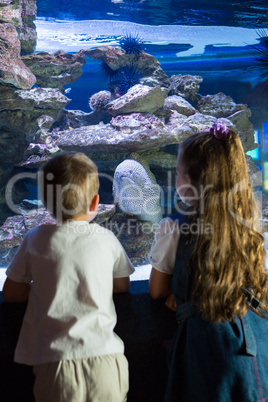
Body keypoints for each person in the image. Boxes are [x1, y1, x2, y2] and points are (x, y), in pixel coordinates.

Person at [149, 123, 268, 401]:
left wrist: (180, 295)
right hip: (256, 344)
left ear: (188, 180)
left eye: (177, 173)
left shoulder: (173, 226)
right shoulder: (248, 225)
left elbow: (156, 289)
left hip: (209, 352)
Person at [2, 152, 134, 402]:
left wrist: (46, 286)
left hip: (56, 364)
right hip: (108, 360)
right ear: (95, 203)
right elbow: (122, 284)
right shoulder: (106, 238)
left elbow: (10, 293)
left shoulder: (34, 239)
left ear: (44, 203)